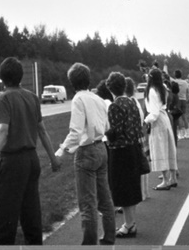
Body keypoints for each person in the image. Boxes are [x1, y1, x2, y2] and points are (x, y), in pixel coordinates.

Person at [0, 57, 61, 245]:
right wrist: (53, 159)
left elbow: (2, 131)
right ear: (21, 76)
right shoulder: (32, 97)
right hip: (31, 160)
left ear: (2, 78)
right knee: (31, 214)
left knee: (5, 217)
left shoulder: (4, 98)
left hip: (12, 162)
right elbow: (42, 130)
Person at [55, 63, 115, 245]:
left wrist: (61, 151)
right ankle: (109, 237)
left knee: (87, 204)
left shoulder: (78, 100)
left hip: (86, 151)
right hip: (101, 148)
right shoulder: (98, 99)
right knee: (105, 198)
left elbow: (75, 131)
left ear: (72, 82)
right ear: (88, 79)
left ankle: (89, 244)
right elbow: (107, 127)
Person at [105, 72, 144, 238]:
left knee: (122, 188)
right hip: (134, 147)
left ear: (110, 88)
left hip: (120, 151)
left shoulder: (114, 106)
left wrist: (104, 133)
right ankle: (131, 222)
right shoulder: (132, 102)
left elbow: (116, 132)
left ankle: (129, 225)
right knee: (132, 186)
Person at [145, 68, 178, 191]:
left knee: (160, 149)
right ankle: (173, 177)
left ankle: (165, 180)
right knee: (169, 147)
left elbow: (154, 113)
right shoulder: (163, 87)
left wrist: (145, 121)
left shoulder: (152, 91)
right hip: (165, 117)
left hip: (158, 120)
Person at [125, 77, 150, 201]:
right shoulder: (135, 100)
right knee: (142, 164)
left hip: (134, 135)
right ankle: (144, 192)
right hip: (140, 133)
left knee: (137, 166)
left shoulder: (129, 102)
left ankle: (141, 193)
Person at [173, 69, 189, 140]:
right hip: (184, 99)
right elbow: (188, 91)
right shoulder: (185, 82)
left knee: (178, 117)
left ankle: (181, 134)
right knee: (184, 116)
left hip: (177, 100)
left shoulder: (174, 81)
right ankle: (187, 133)